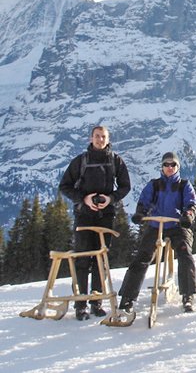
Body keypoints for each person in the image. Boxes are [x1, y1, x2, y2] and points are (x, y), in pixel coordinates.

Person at [59, 125, 131, 321]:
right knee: (82, 258)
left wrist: (111, 199)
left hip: (106, 216)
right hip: (84, 215)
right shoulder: (81, 161)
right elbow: (64, 186)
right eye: (97, 136)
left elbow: (126, 186)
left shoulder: (115, 160)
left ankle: (96, 302)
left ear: (108, 139)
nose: (100, 140)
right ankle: (80, 304)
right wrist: (84, 198)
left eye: (103, 137)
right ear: (91, 138)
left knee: (101, 259)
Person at [118, 152, 196, 313]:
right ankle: (127, 297)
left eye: (173, 165)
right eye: (166, 164)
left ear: (177, 167)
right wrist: (141, 213)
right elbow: (144, 201)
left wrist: (188, 216)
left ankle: (188, 295)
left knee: (185, 253)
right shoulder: (154, 185)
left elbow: (191, 203)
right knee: (142, 256)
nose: (169, 168)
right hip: (156, 225)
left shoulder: (184, 185)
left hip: (176, 225)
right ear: (161, 167)